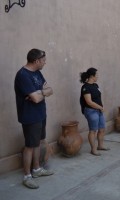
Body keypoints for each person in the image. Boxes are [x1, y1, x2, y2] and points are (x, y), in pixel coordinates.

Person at [14, 49, 54, 189]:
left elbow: (50, 89)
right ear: (36, 61)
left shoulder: (37, 72)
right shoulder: (23, 75)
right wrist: (40, 94)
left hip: (41, 113)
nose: (45, 62)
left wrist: (40, 92)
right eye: (43, 60)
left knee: (37, 143)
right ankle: (27, 176)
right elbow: (36, 99)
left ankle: (36, 170)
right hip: (30, 116)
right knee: (30, 146)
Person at [80, 67, 109, 156]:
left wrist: (100, 107)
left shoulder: (96, 85)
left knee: (102, 129)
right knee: (93, 130)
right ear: (92, 76)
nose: (98, 77)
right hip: (91, 111)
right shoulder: (85, 87)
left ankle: (100, 146)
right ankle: (93, 149)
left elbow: (98, 98)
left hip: (99, 110)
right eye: (97, 75)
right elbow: (89, 102)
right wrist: (100, 107)